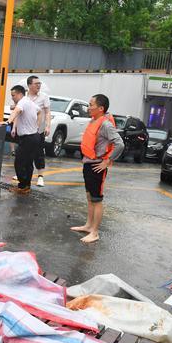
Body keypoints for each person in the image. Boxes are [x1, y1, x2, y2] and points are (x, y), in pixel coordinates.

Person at [71, 94, 124, 243]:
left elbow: (120, 144)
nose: (88, 107)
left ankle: (94, 232)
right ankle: (88, 225)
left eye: (91, 105)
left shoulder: (106, 124)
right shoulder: (93, 120)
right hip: (89, 163)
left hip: (97, 166)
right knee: (89, 197)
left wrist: (108, 161)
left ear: (101, 108)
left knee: (96, 199)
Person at [7, 85, 42, 194]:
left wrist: (8, 122)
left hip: (28, 138)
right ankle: (26, 186)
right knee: (28, 163)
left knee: (19, 162)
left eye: (13, 95)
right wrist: (37, 125)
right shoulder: (29, 102)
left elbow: (16, 111)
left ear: (19, 94)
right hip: (35, 137)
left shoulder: (22, 102)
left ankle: (22, 186)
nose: (12, 98)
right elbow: (39, 111)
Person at [27, 76, 51, 187]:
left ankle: (40, 177)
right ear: (29, 85)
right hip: (26, 131)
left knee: (39, 154)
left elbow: (47, 113)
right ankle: (23, 173)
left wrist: (47, 126)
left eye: (39, 83)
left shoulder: (44, 97)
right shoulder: (25, 96)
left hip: (38, 131)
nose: (38, 85)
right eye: (36, 83)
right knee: (25, 153)